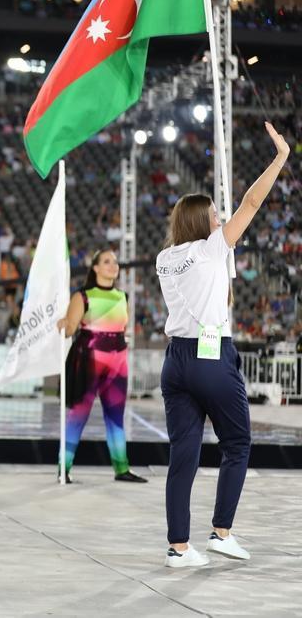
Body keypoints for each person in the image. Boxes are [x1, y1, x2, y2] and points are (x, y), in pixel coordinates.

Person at [155, 122, 290, 569]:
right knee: (238, 443)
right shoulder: (211, 249)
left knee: (183, 456)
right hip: (210, 356)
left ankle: (178, 548)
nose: (220, 218)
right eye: (215, 214)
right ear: (202, 221)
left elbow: (208, 290)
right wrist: (280, 159)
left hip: (175, 360)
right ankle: (221, 532)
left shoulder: (165, 258)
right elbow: (252, 202)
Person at [57, 249, 147, 484]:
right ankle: (63, 468)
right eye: (107, 262)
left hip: (117, 364)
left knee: (116, 418)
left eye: (115, 262)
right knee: (78, 416)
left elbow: (121, 329)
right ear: (95, 268)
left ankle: (122, 469)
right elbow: (69, 329)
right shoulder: (82, 296)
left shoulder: (122, 297)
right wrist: (64, 324)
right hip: (89, 363)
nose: (113, 266)